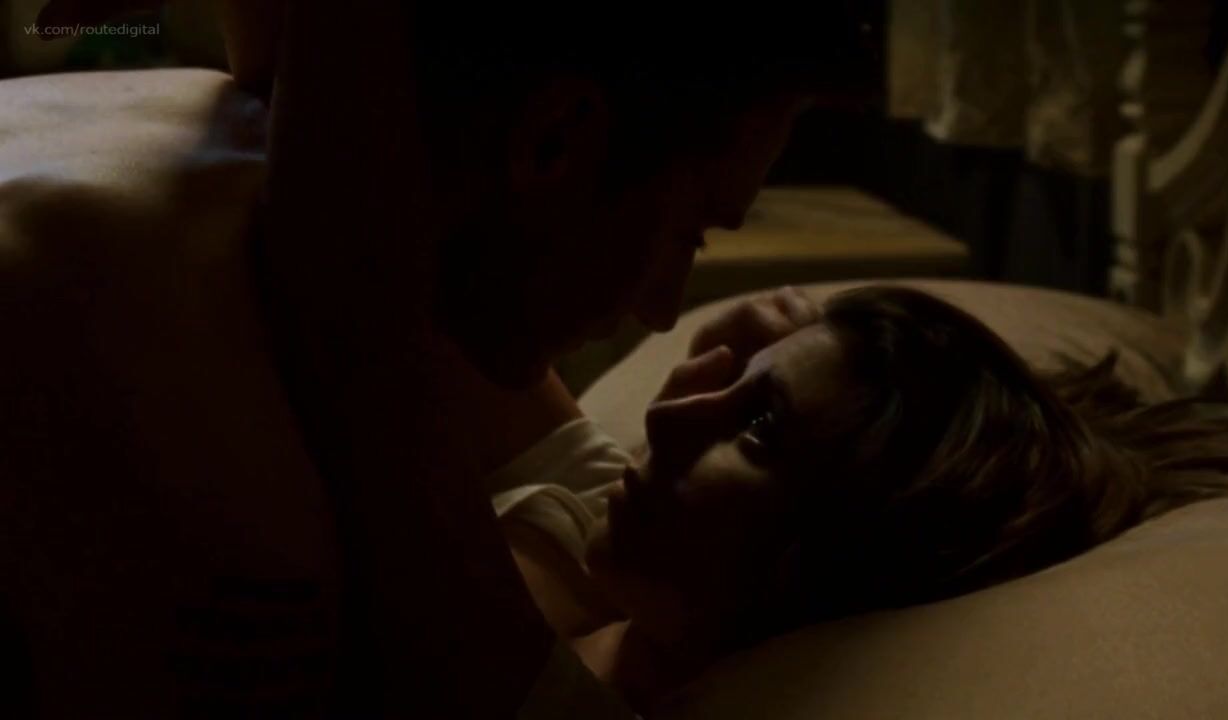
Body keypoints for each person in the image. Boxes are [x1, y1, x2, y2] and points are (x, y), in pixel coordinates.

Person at [4, 0, 868, 717]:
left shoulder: (262, 173)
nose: (665, 310)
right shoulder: (269, 492)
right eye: (690, 234)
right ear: (552, 141)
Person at [489, 286, 1228, 712]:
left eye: (759, 428)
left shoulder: (537, 685)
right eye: (730, 381)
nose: (664, 418)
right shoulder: (595, 518)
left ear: (841, 556)